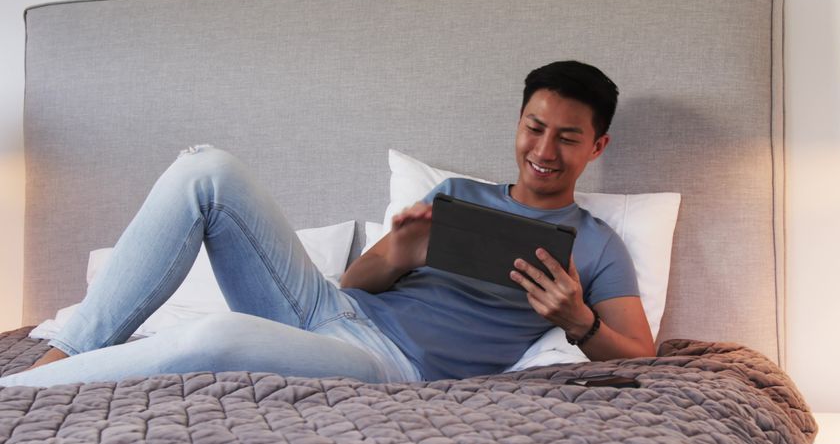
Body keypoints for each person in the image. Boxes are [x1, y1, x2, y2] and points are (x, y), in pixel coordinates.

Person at [0, 61, 654, 387]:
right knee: (207, 169)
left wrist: (579, 321)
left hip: (386, 363)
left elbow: (642, 358)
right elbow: (353, 283)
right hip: (331, 311)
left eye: (566, 138)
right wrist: (399, 249)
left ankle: (19, 393)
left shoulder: (597, 246)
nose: (543, 150)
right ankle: (66, 357)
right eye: (533, 128)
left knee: (221, 335)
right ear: (518, 122)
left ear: (597, 146)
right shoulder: (456, 196)